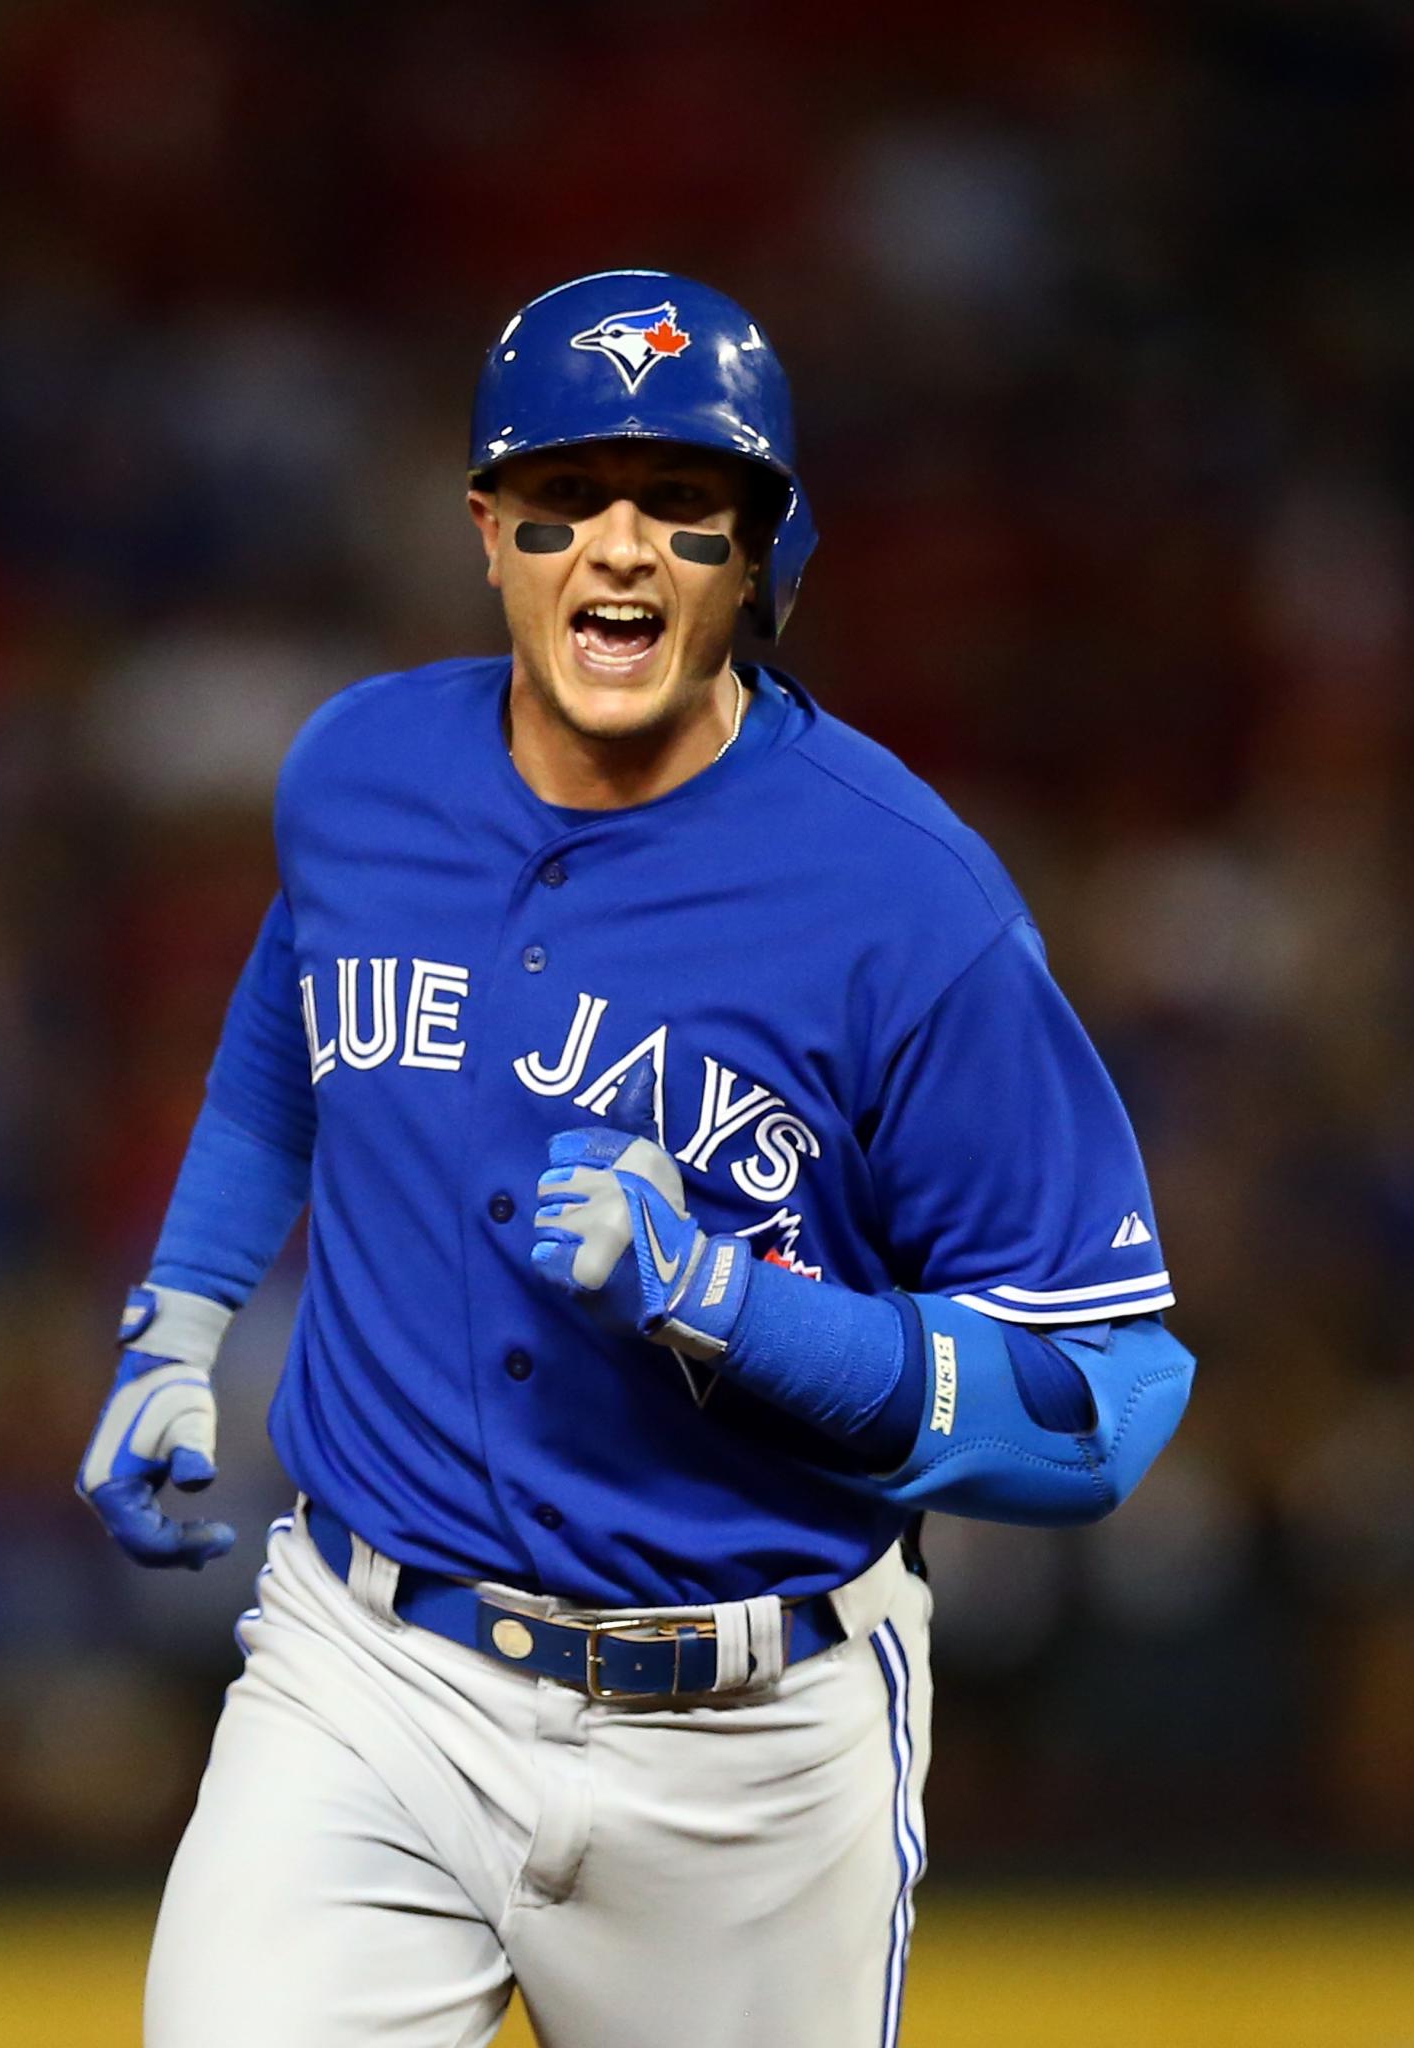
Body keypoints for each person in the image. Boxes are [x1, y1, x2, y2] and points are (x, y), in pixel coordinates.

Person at [78, 269, 1196, 2048]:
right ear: (486, 533)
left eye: (683, 509)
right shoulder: (358, 773)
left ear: (761, 554)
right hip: (370, 1672)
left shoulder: (912, 903)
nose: (617, 550)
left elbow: (1105, 1407)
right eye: (563, 502)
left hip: (745, 1747)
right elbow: (294, 1024)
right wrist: (180, 1320)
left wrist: (725, 1307)